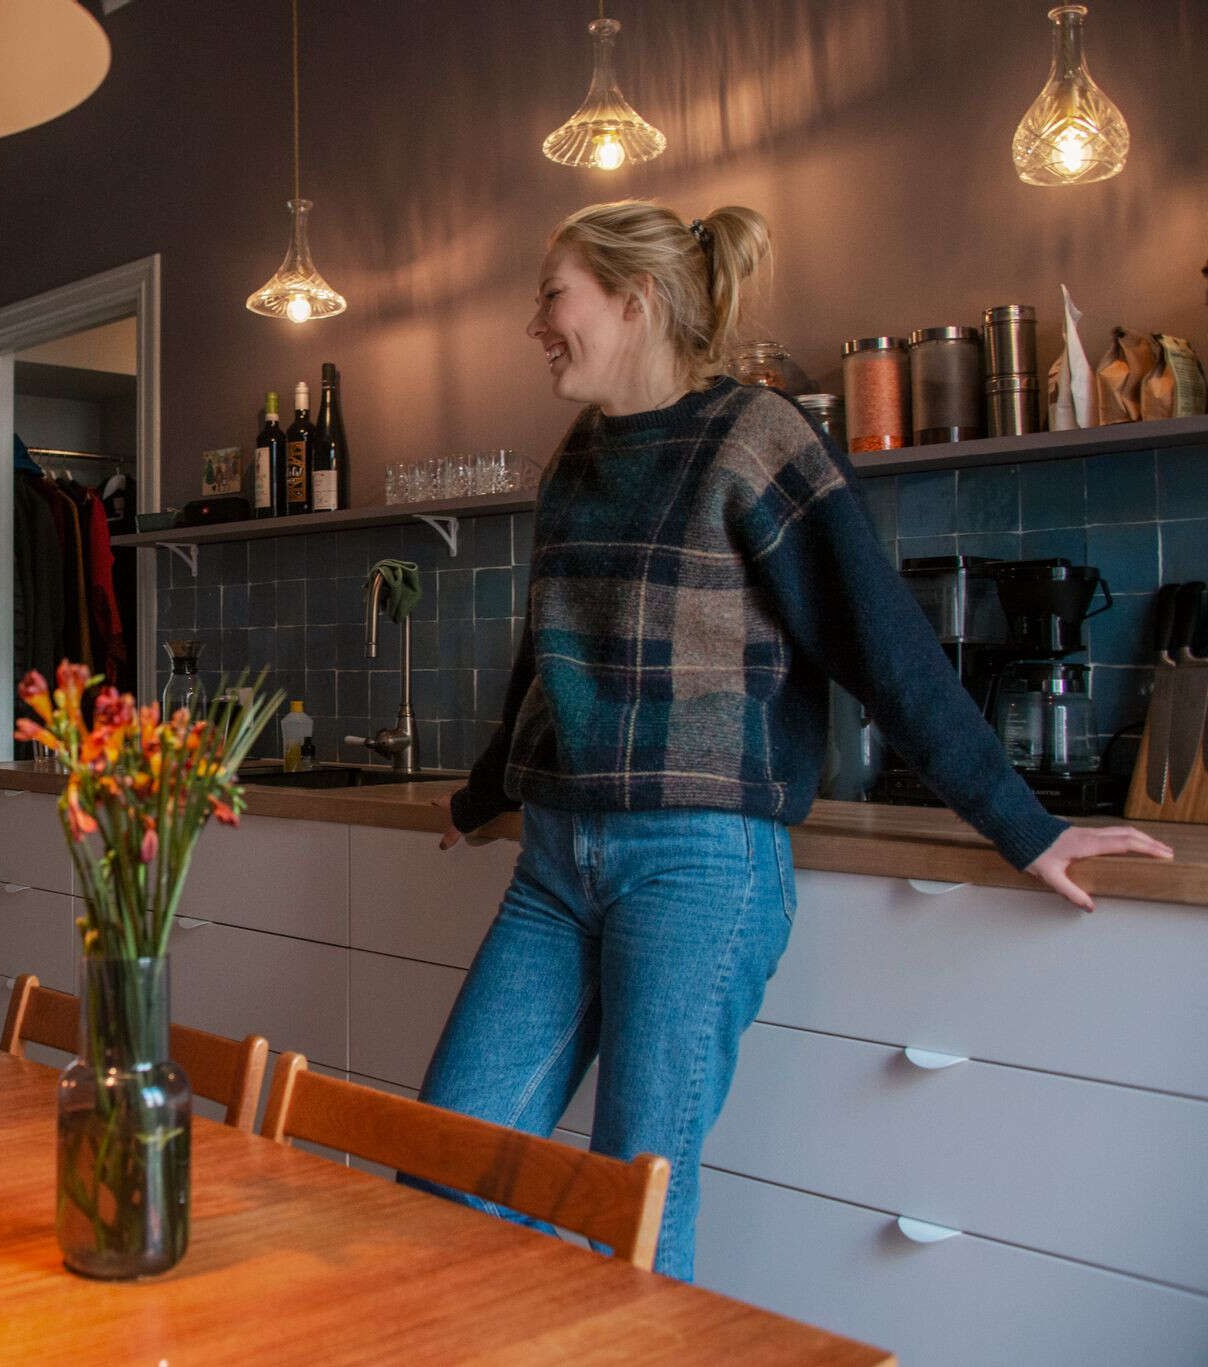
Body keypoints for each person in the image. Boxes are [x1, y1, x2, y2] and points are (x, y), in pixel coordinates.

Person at [418, 200, 1172, 1280]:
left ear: (632, 300)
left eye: (552, 296)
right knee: (441, 1166)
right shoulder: (574, 457)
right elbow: (544, 653)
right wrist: (482, 790)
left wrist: (1026, 825)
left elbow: (881, 641)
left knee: (630, 1207)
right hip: (553, 858)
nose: (535, 323)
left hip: (697, 867)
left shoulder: (755, 436)